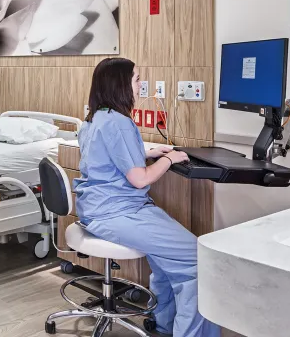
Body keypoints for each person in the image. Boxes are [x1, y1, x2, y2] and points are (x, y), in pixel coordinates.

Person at [73, 58, 221, 337]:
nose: (142, 85)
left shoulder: (95, 118)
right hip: (117, 212)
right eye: (137, 79)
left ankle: (164, 324)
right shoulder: (119, 123)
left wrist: (146, 153)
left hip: (97, 207)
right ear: (121, 85)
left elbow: (107, 158)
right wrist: (170, 159)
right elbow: (139, 178)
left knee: (167, 258)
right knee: (199, 258)